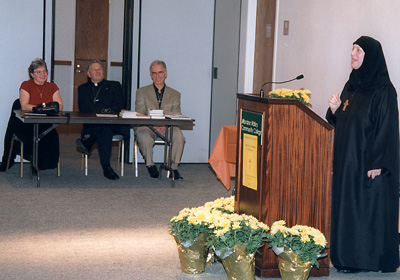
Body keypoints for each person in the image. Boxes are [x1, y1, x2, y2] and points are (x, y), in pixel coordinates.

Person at [326, 36, 399, 273]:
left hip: (369, 162)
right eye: (352, 48)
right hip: (348, 162)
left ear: (371, 56)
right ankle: (345, 257)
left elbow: (387, 128)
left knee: (365, 211)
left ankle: (363, 260)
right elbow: (346, 120)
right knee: (349, 209)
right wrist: (335, 111)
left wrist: (378, 161)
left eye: (358, 50)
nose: (352, 53)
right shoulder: (352, 85)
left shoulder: (384, 91)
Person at [0, 58, 63, 171]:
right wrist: (39, 109)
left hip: (45, 122)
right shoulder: (26, 85)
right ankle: (34, 161)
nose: (43, 74)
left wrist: (44, 110)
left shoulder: (52, 86)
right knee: (34, 135)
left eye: (45, 71)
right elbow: (24, 105)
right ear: (32, 74)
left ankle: (40, 163)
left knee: (52, 135)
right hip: (27, 123)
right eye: (39, 72)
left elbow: (59, 105)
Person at [76, 60, 129, 180]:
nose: (98, 71)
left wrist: (99, 109)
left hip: (114, 124)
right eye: (95, 69)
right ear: (89, 74)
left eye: (100, 69)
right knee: (104, 129)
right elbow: (85, 108)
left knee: (105, 127)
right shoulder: (83, 88)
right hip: (94, 124)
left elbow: (119, 105)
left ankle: (89, 142)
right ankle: (106, 167)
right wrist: (106, 109)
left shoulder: (114, 85)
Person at [134, 60, 185, 180]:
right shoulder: (141, 92)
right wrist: (155, 124)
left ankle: (174, 167)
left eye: (160, 72)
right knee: (144, 136)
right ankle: (150, 165)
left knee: (179, 136)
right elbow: (140, 112)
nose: (158, 76)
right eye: (154, 73)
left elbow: (175, 113)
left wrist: (164, 125)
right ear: (151, 75)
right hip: (147, 126)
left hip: (168, 126)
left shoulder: (175, 94)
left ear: (166, 73)